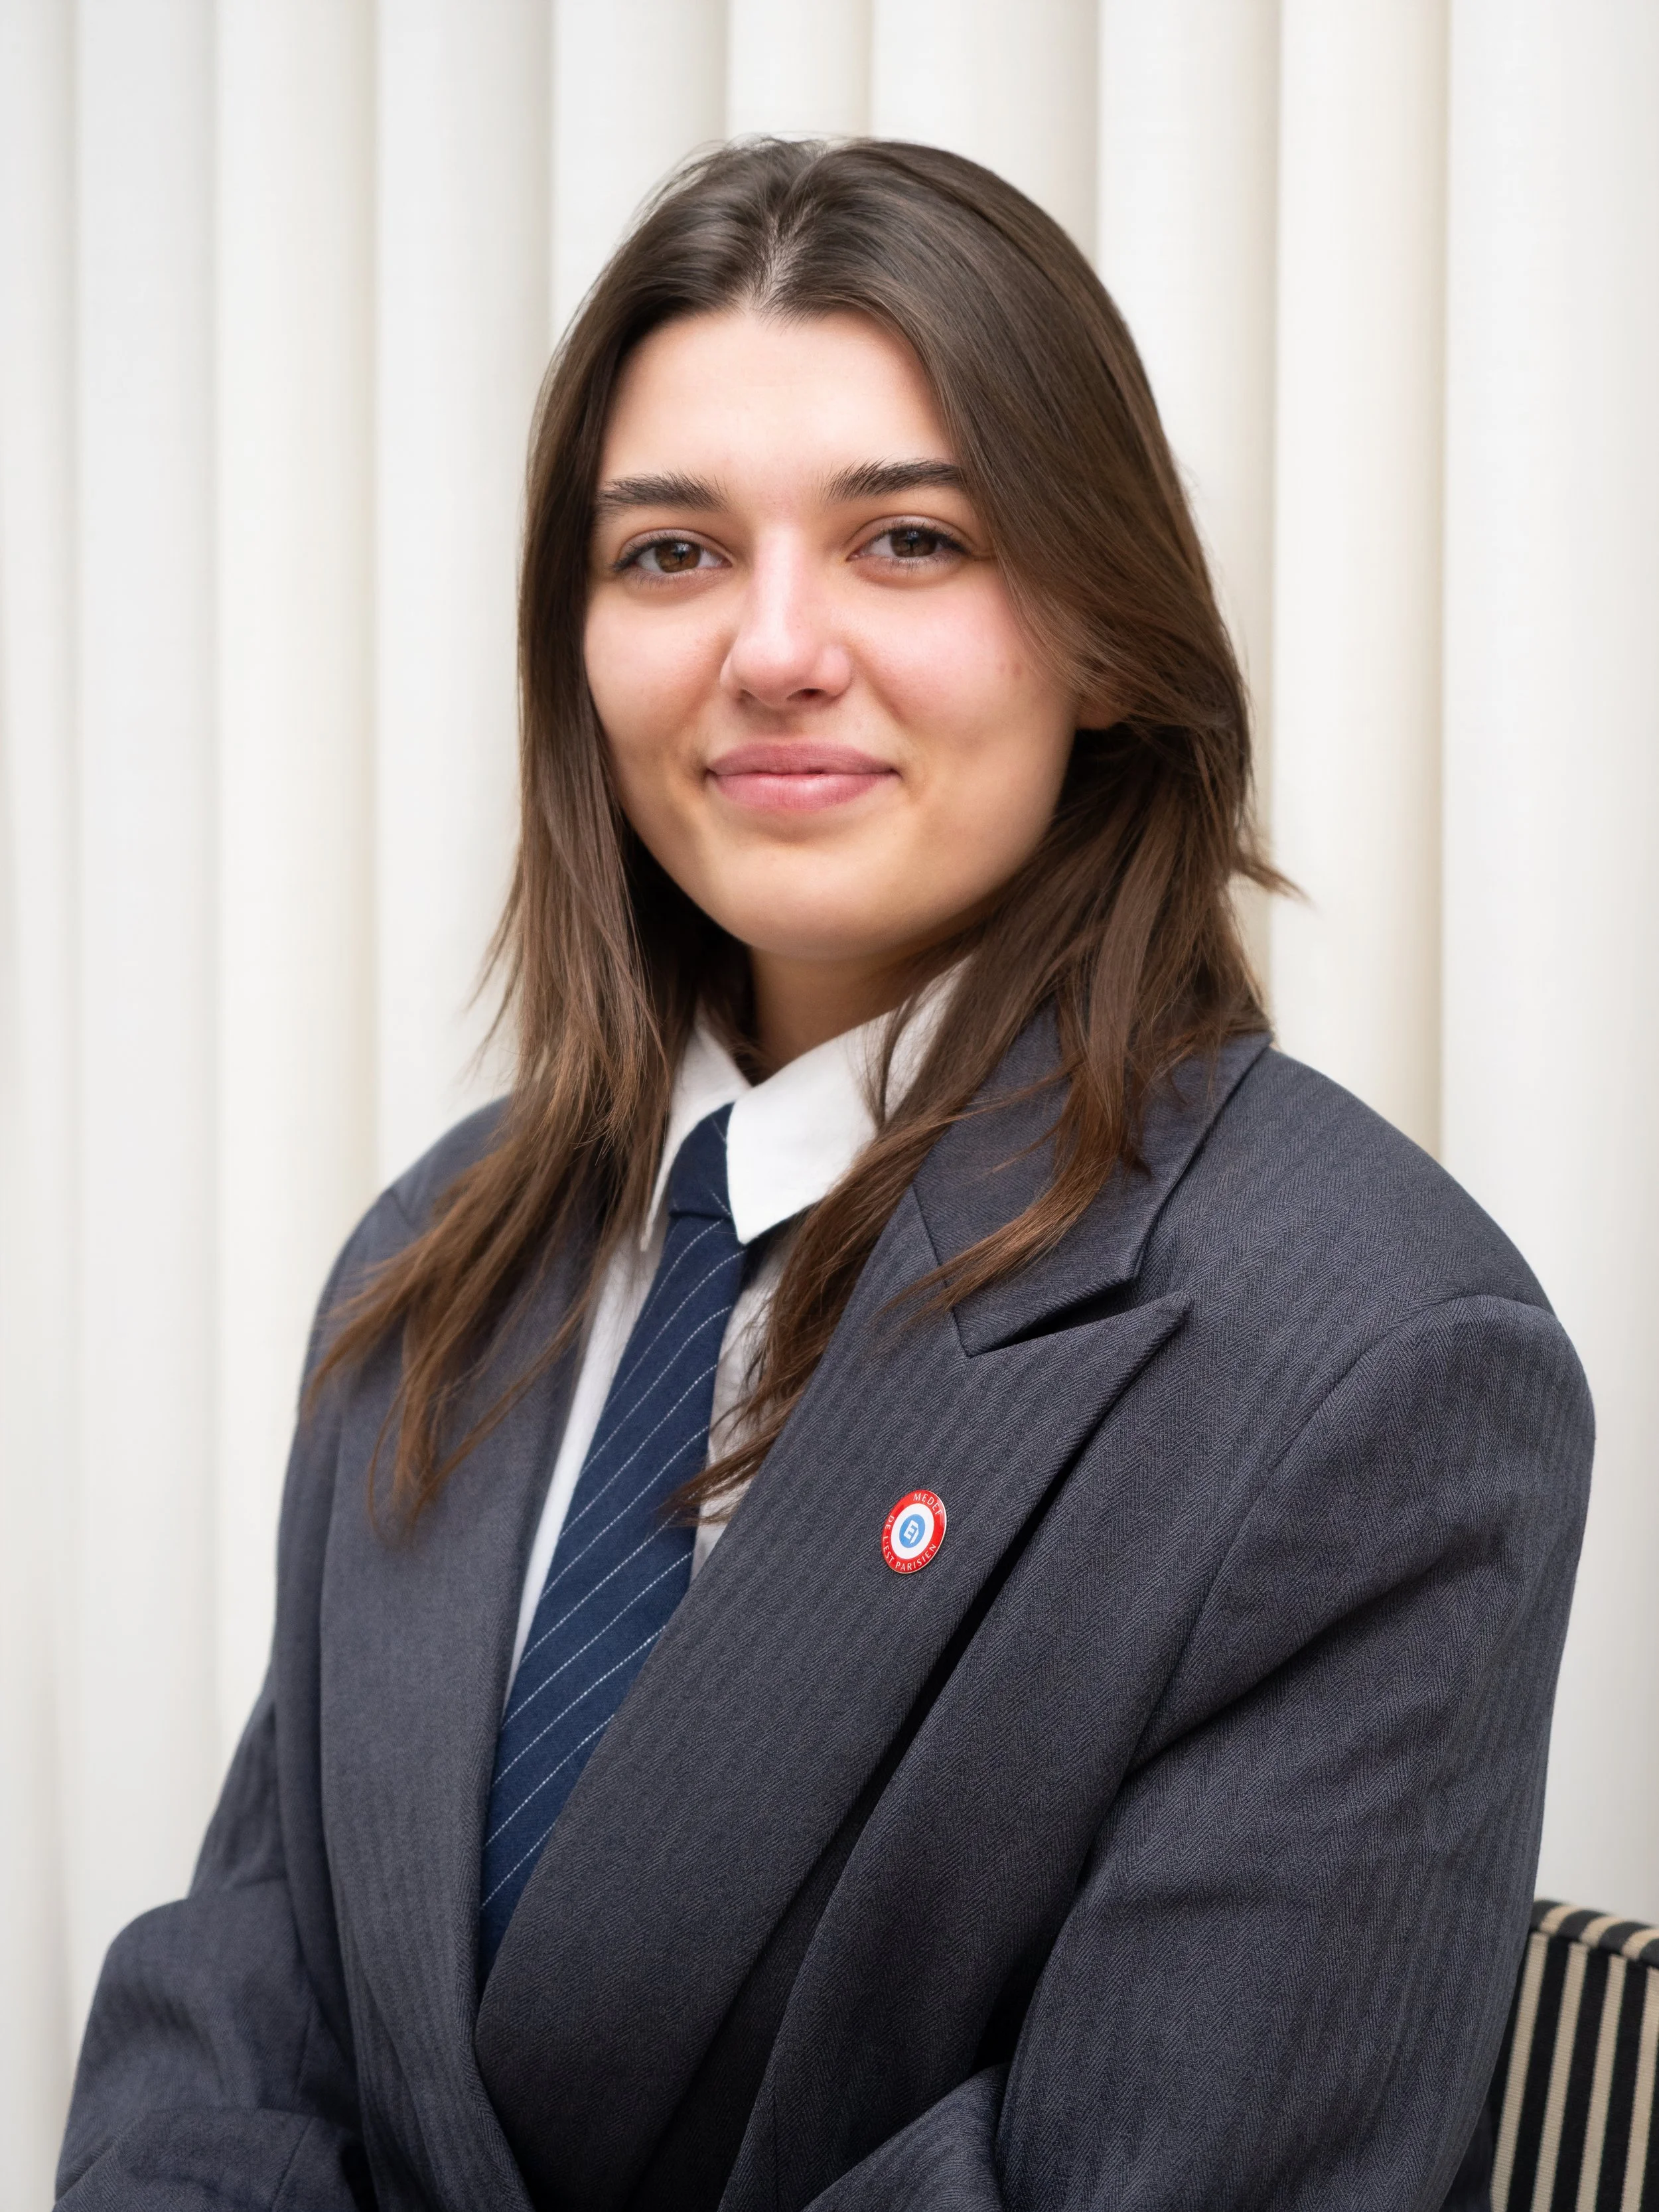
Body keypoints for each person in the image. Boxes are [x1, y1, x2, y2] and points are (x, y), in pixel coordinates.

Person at [57, 139, 1591, 2212]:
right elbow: (252, 2012)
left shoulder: (1370, 1359)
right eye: (670, 555)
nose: (772, 651)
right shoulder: (441, 1248)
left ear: (1110, 635)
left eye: (910, 541)